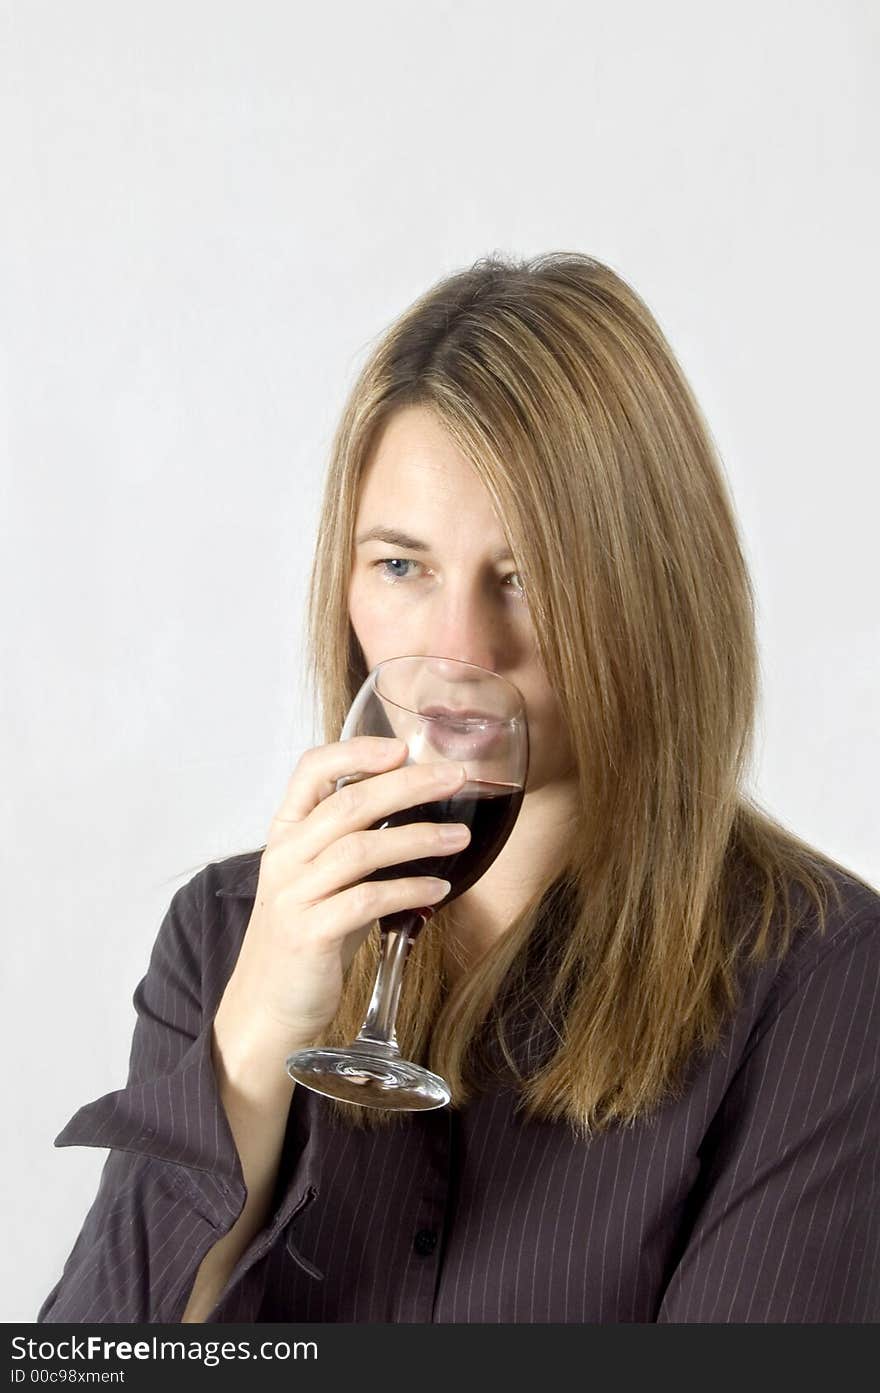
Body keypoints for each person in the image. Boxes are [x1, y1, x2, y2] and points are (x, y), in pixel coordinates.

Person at [39, 252, 879, 1324]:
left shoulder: (822, 984)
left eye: (525, 577)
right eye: (401, 566)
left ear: (651, 590)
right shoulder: (222, 934)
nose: (455, 651)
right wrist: (247, 1047)